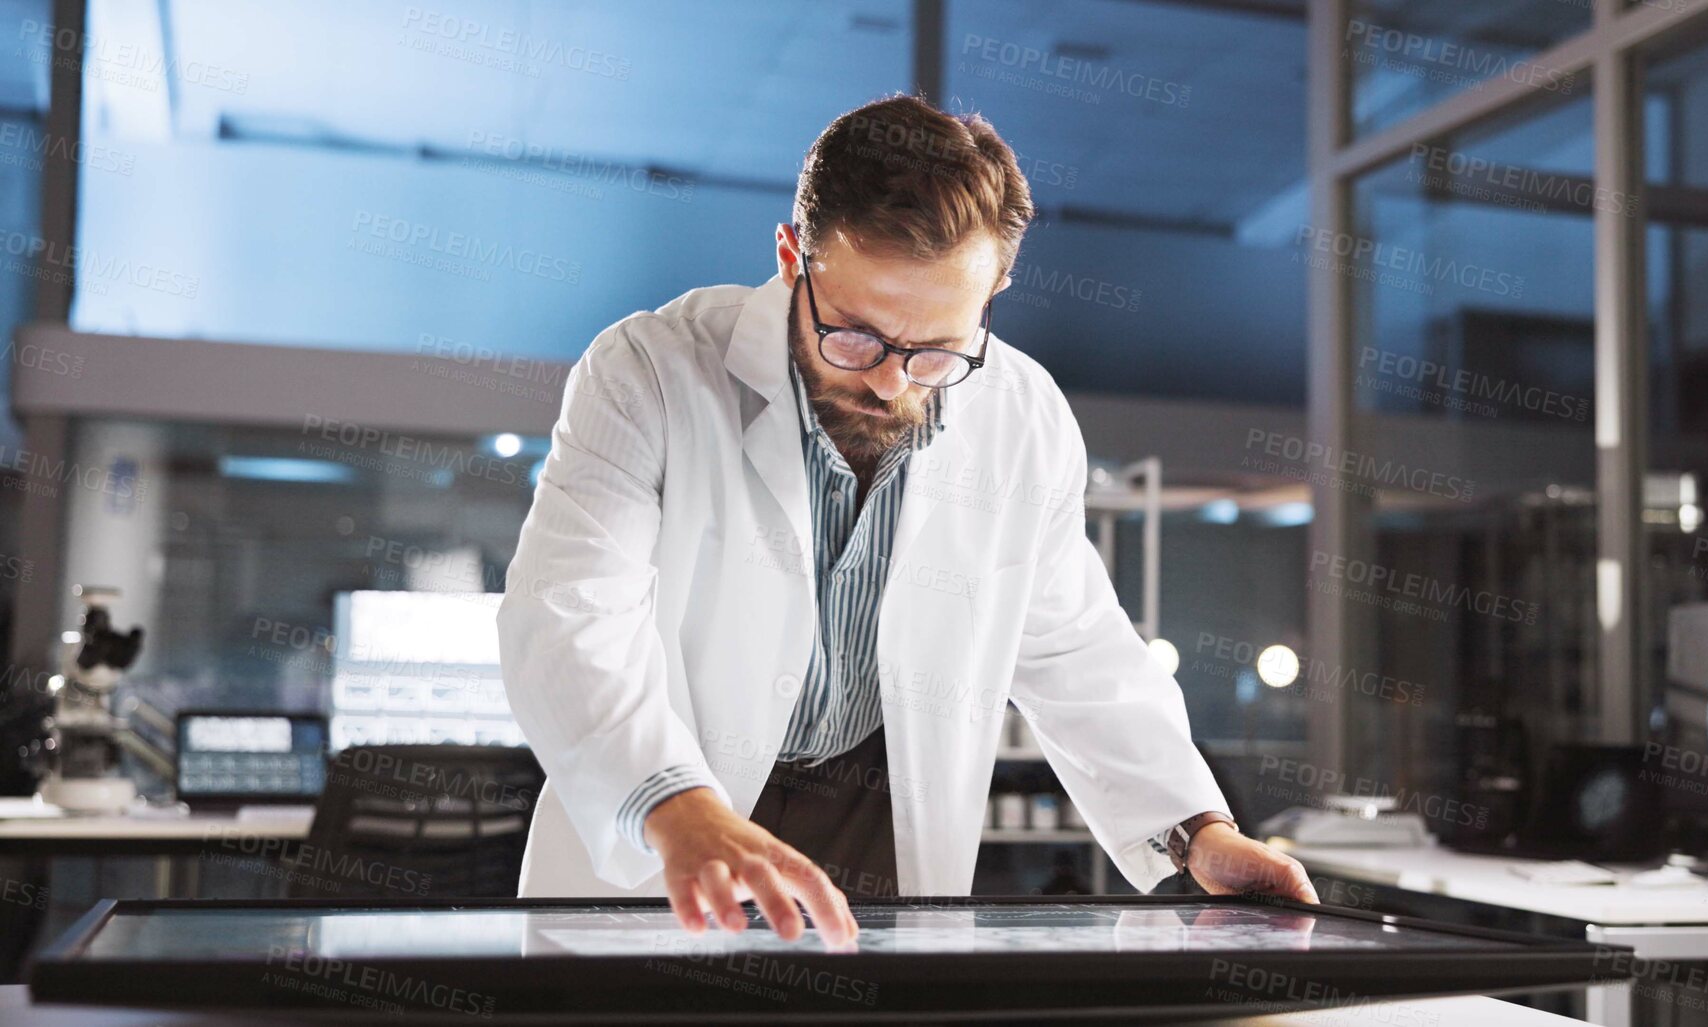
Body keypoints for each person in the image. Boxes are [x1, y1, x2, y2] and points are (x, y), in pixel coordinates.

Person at [497, 94, 1316, 945]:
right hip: (670, 812)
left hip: (875, 822)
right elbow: (569, 615)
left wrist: (1196, 834)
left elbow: (1077, 651)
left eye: (934, 351)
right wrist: (673, 805)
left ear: (994, 290)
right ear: (791, 260)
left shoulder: (1022, 416)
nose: (891, 382)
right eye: (853, 337)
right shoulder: (649, 371)